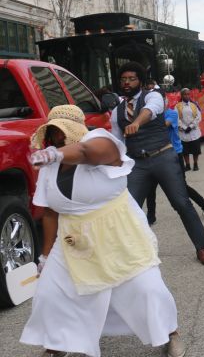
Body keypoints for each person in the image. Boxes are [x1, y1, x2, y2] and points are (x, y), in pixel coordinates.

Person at [21, 105, 186, 357]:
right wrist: (44, 256)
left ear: (77, 129)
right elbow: (51, 212)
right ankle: (57, 345)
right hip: (72, 238)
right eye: (52, 132)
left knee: (146, 288)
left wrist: (55, 154)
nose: (56, 137)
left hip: (116, 230)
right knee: (51, 293)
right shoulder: (50, 165)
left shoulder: (100, 141)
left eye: (61, 132)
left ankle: (170, 332)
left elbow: (89, 152)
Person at [110, 62, 204, 265]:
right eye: (123, 80)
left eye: (131, 79)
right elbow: (117, 143)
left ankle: (201, 247)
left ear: (140, 81)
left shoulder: (153, 96)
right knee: (129, 209)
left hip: (163, 157)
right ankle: (129, 255)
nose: (127, 83)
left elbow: (151, 110)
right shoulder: (117, 111)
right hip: (137, 164)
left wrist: (136, 123)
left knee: (181, 202)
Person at [147, 91, 204, 225]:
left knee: (181, 186)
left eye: (158, 101)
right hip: (154, 155)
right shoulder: (147, 116)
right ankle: (150, 217)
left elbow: (161, 127)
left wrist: (144, 118)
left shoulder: (171, 113)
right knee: (150, 188)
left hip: (173, 154)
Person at [176, 88, 202, 171]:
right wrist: (183, 127)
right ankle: (187, 165)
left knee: (196, 150)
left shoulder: (194, 105)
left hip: (194, 131)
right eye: (185, 94)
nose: (187, 96)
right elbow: (177, 118)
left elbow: (198, 117)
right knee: (185, 150)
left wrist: (191, 126)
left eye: (188, 94)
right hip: (183, 132)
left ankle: (195, 164)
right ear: (182, 95)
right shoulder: (178, 106)